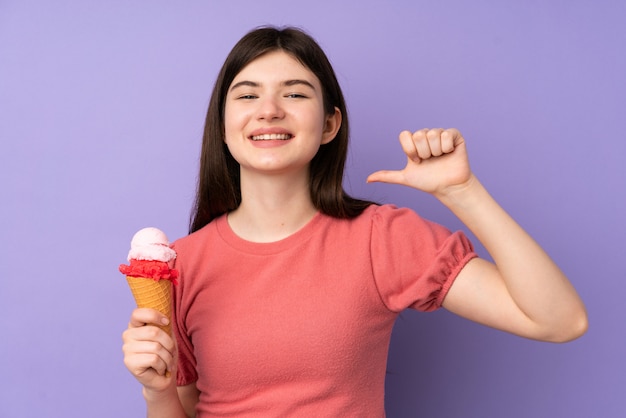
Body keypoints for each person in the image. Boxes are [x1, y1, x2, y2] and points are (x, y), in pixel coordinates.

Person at [122, 26, 587, 417]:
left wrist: (462, 192)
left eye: (295, 93)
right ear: (223, 123)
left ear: (329, 124)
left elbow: (560, 321)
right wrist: (157, 392)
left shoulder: (381, 237)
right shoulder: (179, 264)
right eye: (247, 94)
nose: (269, 109)